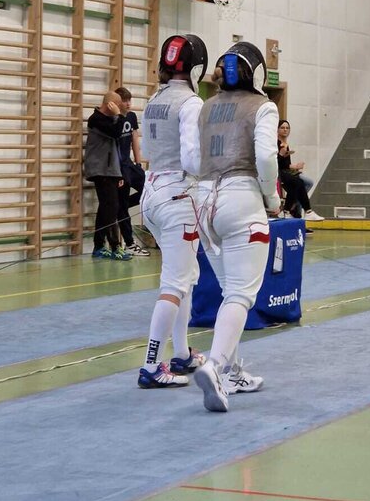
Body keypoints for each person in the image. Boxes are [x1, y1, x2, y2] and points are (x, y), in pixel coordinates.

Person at [193, 42, 281, 412]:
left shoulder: (206, 106)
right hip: (241, 199)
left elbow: (192, 158)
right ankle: (214, 366)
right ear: (257, 73)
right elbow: (266, 157)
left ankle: (229, 373)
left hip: (203, 202)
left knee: (230, 292)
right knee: (241, 295)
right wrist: (272, 197)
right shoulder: (264, 106)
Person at [137, 34, 209, 389]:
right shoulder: (191, 103)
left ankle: (181, 353)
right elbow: (193, 159)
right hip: (178, 198)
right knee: (174, 283)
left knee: (185, 278)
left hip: (150, 193)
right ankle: (151, 366)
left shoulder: (154, 99)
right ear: (196, 68)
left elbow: (148, 149)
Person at [83, 91, 133, 261]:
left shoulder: (110, 120)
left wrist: (118, 173)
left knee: (105, 208)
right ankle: (115, 246)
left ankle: (98, 246)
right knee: (111, 207)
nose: (120, 108)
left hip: (110, 169)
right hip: (100, 169)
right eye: (117, 105)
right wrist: (119, 116)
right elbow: (116, 132)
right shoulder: (96, 119)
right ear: (110, 105)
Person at [114, 86, 149, 256]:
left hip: (129, 164)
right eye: (124, 101)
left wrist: (138, 161)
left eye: (129, 100)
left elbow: (134, 137)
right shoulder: (114, 119)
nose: (128, 104)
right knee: (122, 207)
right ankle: (129, 243)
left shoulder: (131, 116)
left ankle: (122, 207)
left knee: (147, 189)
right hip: (118, 167)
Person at [277, 120, 324, 222]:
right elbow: (275, 162)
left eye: (287, 128)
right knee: (299, 183)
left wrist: (295, 167)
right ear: (277, 129)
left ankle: (293, 209)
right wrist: (281, 154)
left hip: (286, 171)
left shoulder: (285, 144)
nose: (285, 130)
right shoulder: (276, 143)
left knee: (305, 183)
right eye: (282, 128)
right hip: (278, 172)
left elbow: (286, 164)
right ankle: (303, 211)